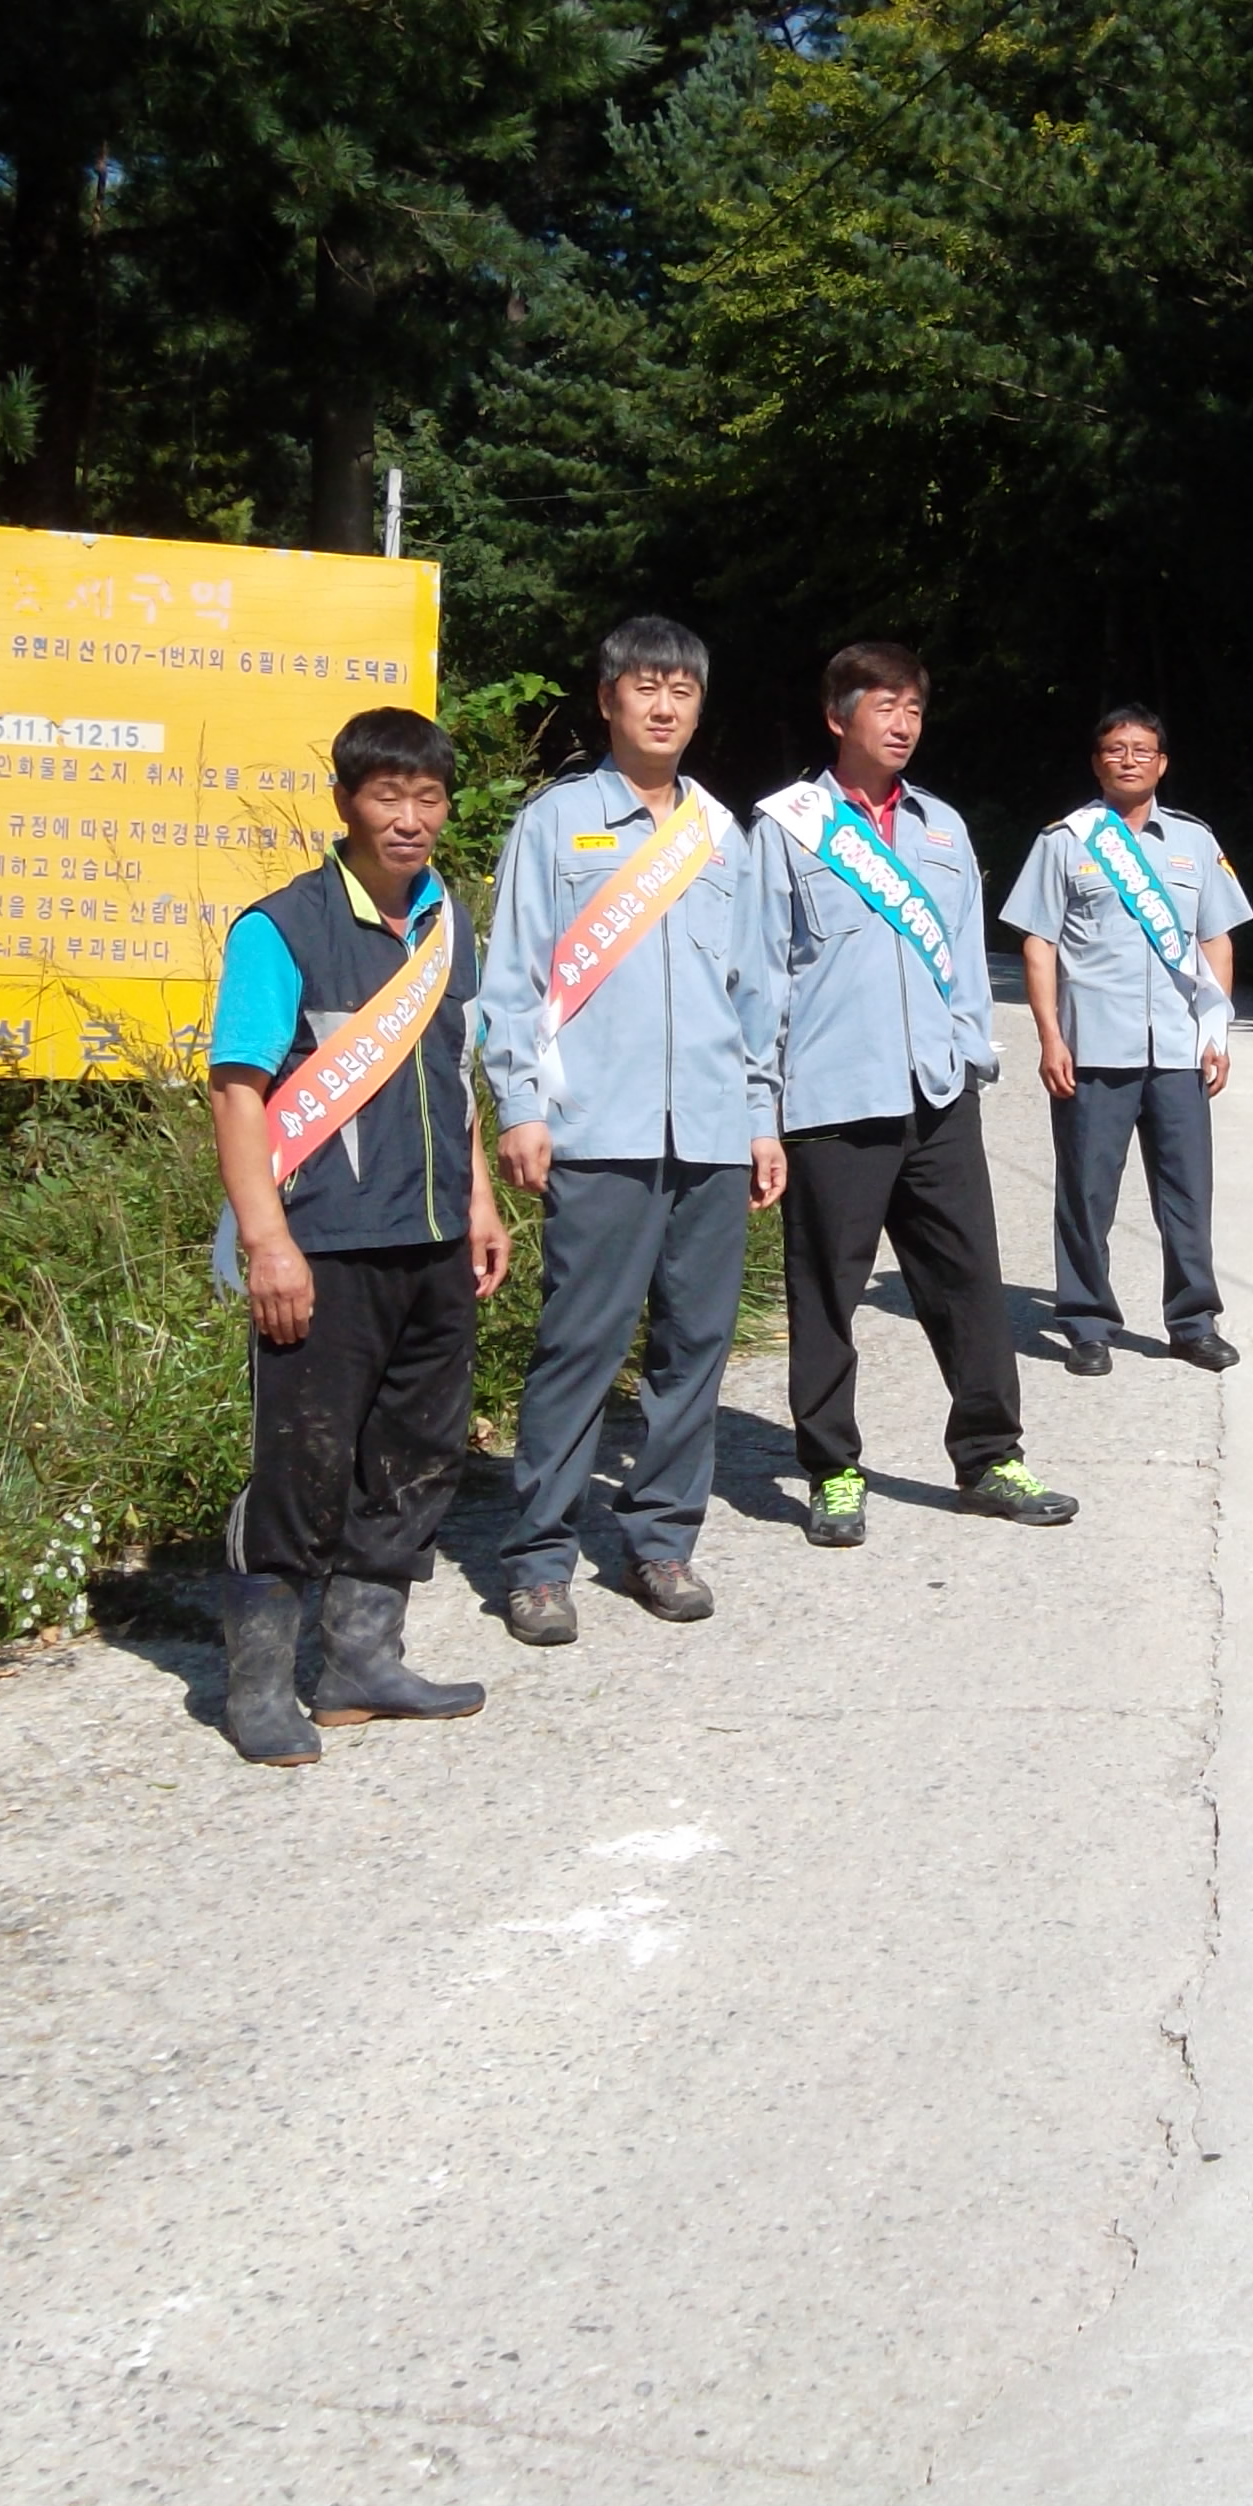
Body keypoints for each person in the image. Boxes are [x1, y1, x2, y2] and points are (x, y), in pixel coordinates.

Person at [204, 706, 513, 1766]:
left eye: (429, 798)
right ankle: (257, 1687)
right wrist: (267, 1243)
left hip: (432, 1240)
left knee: (418, 1456)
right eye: (389, 795)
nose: (410, 818)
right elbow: (237, 1094)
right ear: (345, 802)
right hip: (324, 1244)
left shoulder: (448, 925)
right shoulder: (280, 928)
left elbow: (454, 1077)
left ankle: (361, 1664)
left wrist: (478, 1201)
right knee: (302, 1462)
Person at [474, 617, 787, 1644]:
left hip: (710, 1132)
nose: (663, 706)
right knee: (580, 1344)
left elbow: (754, 991)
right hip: (595, 1131)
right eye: (645, 687)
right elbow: (512, 978)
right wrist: (521, 1105)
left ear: (699, 708)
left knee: (694, 1348)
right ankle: (539, 1561)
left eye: (681, 691)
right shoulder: (554, 823)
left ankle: (663, 1541)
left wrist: (761, 1119)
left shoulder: (723, 835)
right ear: (608, 699)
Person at [754, 642, 1077, 1546]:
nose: (902, 725)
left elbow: (967, 955)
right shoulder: (786, 828)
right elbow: (760, 975)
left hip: (937, 1096)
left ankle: (990, 1457)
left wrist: (969, 1055)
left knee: (968, 1281)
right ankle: (832, 1468)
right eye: (884, 706)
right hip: (832, 1100)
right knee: (827, 1292)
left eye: (914, 710)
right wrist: (759, 1108)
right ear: (838, 716)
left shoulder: (942, 828)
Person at [1000, 705, 1251, 1377]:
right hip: (1093, 1049)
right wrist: (1050, 1037)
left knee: (1187, 1193)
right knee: (1086, 1193)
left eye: (1142, 749)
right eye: (1115, 749)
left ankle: (1193, 1322)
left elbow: (1216, 940)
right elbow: (1038, 944)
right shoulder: (1063, 842)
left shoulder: (1195, 841)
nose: (1129, 759)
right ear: (1096, 762)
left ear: (1162, 763)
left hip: (1176, 1049)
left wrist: (1216, 1033)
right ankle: (1087, 1323)